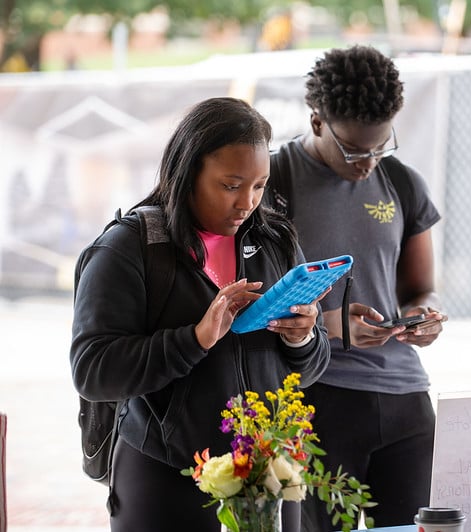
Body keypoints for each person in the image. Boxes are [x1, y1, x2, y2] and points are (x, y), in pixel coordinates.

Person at [70, 97, 330, 532]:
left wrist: (302, 338)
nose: (246, 202)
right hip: (164, 473)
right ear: (188, 174)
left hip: (266, 472)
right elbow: (93, 371)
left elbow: (310, 370)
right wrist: (194, 339)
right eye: (230, 185)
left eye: (259, 185)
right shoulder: (130, 247)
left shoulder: (275, 242)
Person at [267, 45, 447, 531]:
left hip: (405, 398)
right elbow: (244, 303)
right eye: (353, 149)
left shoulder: (402, 184)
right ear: (317, 121)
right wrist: (329, 326)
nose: (367, 162)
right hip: (315, 395)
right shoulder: (272, 183)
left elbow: (419, 288)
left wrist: (422, 317)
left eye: (380, 146)